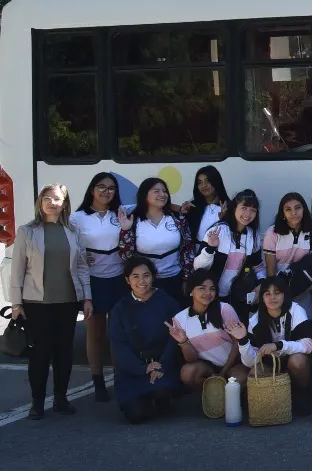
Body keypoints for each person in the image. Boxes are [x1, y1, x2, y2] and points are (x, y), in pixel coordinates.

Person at [8, 184, 92, 420]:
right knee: (40, 354)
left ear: (65, 203)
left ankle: (61, 399)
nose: (51, 202)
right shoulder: (27, 231)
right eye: (46, 198)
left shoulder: (73, 232)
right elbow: (17, 271)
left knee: (64, 353)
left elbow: (83, 267)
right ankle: (37, 402)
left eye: (56, 199)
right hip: (36, 303)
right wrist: (16, 304)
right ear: (40, 202)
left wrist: (87, 297)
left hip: (67, 302)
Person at [70, 172, 126, 402]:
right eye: (101, 187)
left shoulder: (122, 212)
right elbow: (70, 245)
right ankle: (98, 381)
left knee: (117, 332)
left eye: (111, 188)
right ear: (92, 190)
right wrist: (84, 256)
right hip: (93, 279)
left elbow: (148, 202)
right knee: (95, 332)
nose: (106, 191)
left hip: (119, 278)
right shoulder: (77, 217)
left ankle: (120, 378)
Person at [107, 257, 182, 424]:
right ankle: (145, 400)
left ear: (153, 277)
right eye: (135, 276)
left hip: (162, 366)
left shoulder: (167, 302)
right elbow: (119, 346)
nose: (142, 281)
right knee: (136, 415)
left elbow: (175, 338)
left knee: (162, 392)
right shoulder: (120, 309)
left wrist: (162, 364)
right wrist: (143, 368)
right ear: (127, 280)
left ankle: (161, 397)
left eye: (146, 275)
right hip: (133, 370)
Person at [236, 275, 312, 415]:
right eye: (267, 294)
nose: (272, 297)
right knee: (255, 372)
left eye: (277, 293)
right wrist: (243, 341)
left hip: (292, 359)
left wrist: (278, 345)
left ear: (285, 294)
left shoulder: (296, 310)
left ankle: (302, 395)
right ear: (262, 297)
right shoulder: (254, 321)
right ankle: (269, 405)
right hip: (269, 364)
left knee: (298, 361)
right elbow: (250, 362)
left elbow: (307, 345)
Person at [165, 268, 249, 393]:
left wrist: (222, 374)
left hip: (233, 363)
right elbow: (191, 359)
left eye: (212, 289)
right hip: (208, 367)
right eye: (202, 288)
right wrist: (183, 342)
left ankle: (229, 398)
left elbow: (237, 344)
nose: (208, 292)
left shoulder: (224, 309)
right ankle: (211, 397)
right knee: (187, 373)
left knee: (240, 378)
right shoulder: (180, 318)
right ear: (191, 291)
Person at [118, 177, 195, 302]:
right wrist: (125, 230)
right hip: (146, 284)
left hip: (176, 280)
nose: (162, 194)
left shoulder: (177, 218)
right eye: (156, 191)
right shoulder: (133, 220)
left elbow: (188, 249)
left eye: (164, 191)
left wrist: (187, 278)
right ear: (144, 195)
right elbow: (126, 256)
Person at [193, 189, 264, 318]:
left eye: (253, 210)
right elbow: (198, 267)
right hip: (210, 297)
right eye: (244, 208)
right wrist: (210, 248)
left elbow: (258, 265)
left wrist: (261, 283)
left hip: (237, 298)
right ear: (234, 208)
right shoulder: (218, 230)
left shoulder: (253, 236)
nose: (248, 214)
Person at [262, 191, 312, 314]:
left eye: (298, 208)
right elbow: (271, 272)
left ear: (304, 209)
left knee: (304, 325)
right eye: (288, 209)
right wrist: (277, 291)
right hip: (279, 289)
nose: (294, 213)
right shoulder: (272, 232)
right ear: (283, 213)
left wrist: (299, 274)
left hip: (304, 288)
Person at [180, 166, 231, 248]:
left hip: (221, 255)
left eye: (208, 181)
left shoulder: (229, 206)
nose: (203, 185)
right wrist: (182, 213)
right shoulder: (193, 207)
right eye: (199, 182)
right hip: (198, 256)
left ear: (216, 182)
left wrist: (225, 218)